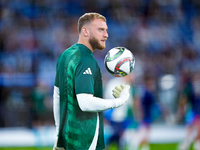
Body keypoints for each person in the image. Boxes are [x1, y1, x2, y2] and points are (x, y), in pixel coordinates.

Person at [53, 12, 130, 150]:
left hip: (69, 137)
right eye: (100, 30)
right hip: (84, 138)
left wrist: (59, 135)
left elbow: (57, 96)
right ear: (85, 31)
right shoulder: (86, 60)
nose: (106, 35)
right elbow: (86, 103)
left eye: (106, 30)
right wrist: (119, 101)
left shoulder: (66, 55)